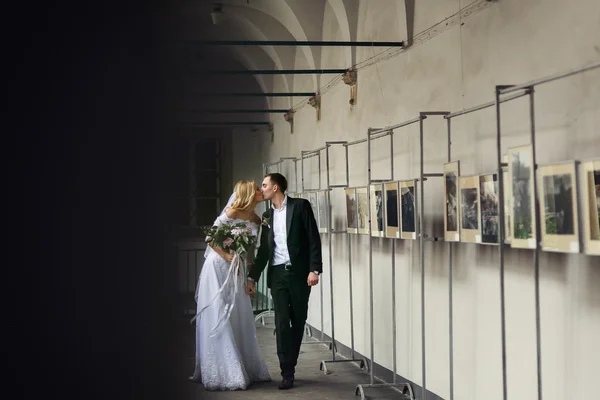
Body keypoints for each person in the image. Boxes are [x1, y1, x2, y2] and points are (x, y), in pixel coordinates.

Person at [189, 180, 271, 390]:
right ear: (248, 194)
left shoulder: (255, 218)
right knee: (218, 313)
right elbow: (211, 238)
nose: (262, 191)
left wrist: (249, 277)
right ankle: (222, 370)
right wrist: (227, 255)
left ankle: (243, 363)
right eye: (258, 189)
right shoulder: (232, 212)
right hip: (217, 266)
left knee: (238, 313)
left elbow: (250, 250)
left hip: (236, 268)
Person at [247, 173, 322, 390]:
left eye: (264, 185)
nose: (261, 189)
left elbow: (313, 239)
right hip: (277, 275)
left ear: (275, 187)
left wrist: (314, 269)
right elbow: (263, 250)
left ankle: (292, 363)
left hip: (300, 274)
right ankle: (286, 372)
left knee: (298, 321)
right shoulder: (267, 215)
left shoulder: (300, 207)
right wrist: (253, 276)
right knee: (281, 323)